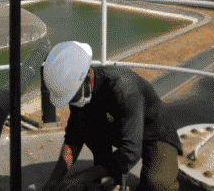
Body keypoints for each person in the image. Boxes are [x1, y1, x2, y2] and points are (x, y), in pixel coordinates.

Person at [40, 41, 183, 191]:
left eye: (73, 96)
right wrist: (53, 182)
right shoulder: (79, 90)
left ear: (86, 76)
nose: (72, 102)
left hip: (154, 134)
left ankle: (108, 171)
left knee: (158, 184)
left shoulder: (123, 88)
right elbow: (73, 138)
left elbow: (131, 152)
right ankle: (109, 173)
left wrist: (82, 177)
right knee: (86, 126)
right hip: (122, 129)